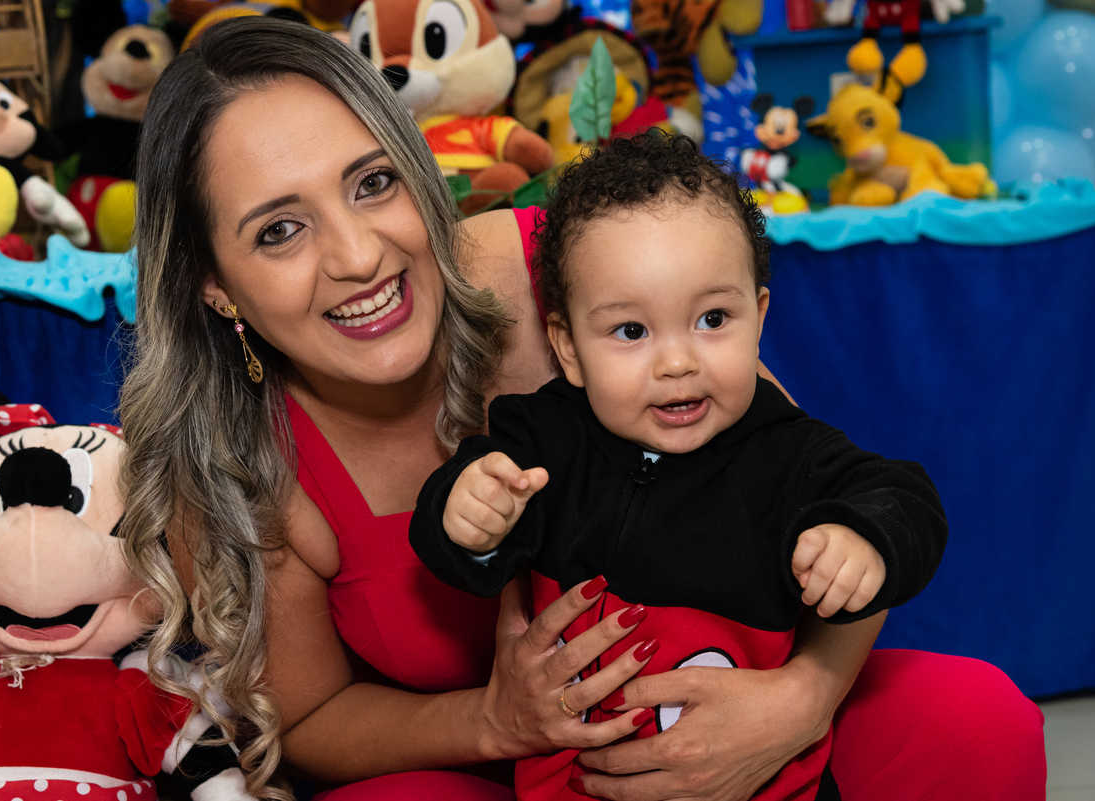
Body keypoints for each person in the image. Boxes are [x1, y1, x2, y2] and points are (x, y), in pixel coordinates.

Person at [118, 15, 1046, 801]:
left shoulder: (570, 275)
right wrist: (495, 721)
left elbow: (807, 476)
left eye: (373, 183)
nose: (358, 256)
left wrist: (801, 698)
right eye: (280, 230)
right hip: (485, 765)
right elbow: (314, 716)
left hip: (742, 689)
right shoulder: (234, 457)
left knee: (974, 719)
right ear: (214, 284)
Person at [408, 133, 947, 801]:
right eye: (631, 331)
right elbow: (462, 546)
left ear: (759, 318)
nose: (677, 362)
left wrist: (864, 536)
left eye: (712, 318)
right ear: (568, 347)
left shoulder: (788, 451)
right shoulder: (540, 439)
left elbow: (903, 495)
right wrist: (468, 516)